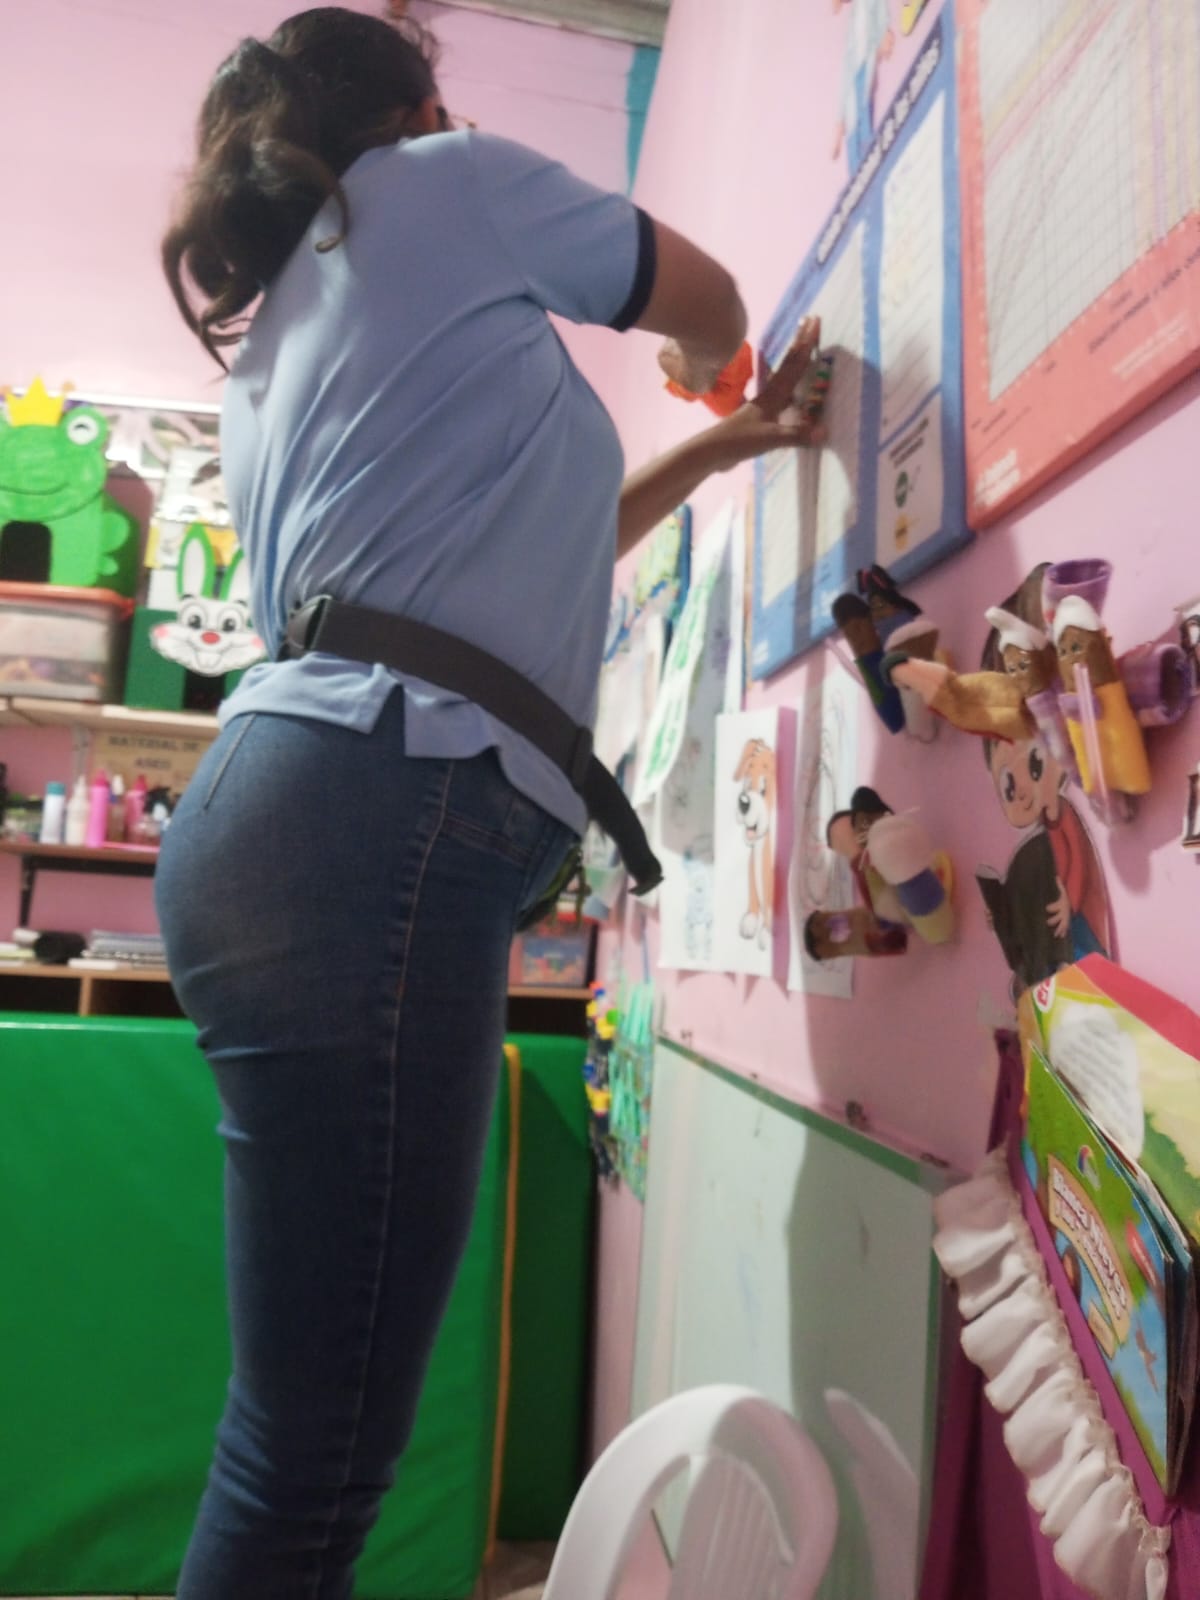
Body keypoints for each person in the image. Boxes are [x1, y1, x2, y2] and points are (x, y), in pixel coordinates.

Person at [156, 9, 825, 1596]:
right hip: (373, 812)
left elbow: (499, 561)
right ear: (417, 110)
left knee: (295, 1428)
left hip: (282, 808)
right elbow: (711, 301)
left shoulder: (286, 336)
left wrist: (722, 448)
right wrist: (700, 365)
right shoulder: (440, 186)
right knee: (315, 1455)